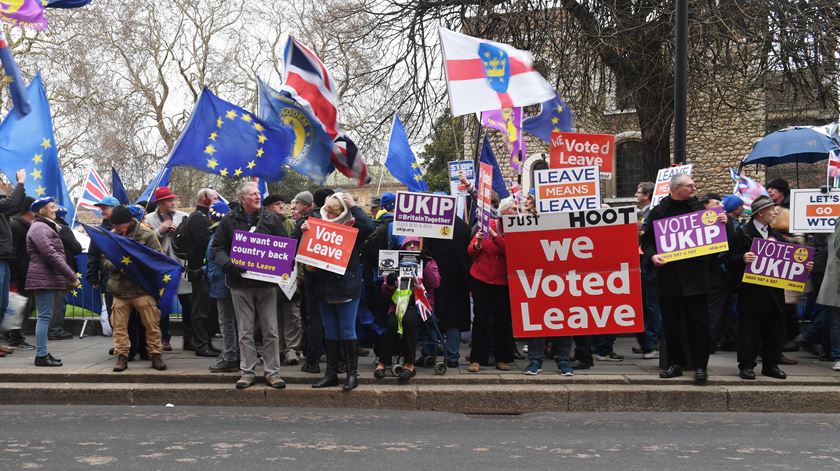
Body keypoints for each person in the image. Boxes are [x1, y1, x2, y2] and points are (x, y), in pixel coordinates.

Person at [641, 174, 721, 382]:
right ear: (676, 189)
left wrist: (723, 223)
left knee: (699, 324)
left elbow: (721, 240)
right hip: (669, 278)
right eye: (690, 185)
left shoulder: (702, 212)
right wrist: (652, 256)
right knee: (671, 324)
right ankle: (674, 364)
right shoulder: (659, 212)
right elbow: (647, 242)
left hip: (696, 278)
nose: (695, 188)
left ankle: (700, 366)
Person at [212, 182, 288, 390]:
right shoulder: (228, 221)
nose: (257, 196)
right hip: (240, 284)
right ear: (242, 198)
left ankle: (272, 373)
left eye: (258, 193)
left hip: (266, 284)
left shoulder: (271, 219)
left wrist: (283, 265)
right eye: (253, 194)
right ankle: (247, 372)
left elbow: (285, 245)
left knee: (270, 330)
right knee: (245, 331)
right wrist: (228, 264)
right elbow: (217, 248)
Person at [727, 196, 812, 380]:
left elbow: (789, 262)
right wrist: (742, 258)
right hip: (751, 292)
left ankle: (770, 365)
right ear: (761, 212)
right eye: (772, 209)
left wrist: (804, 267)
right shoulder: (743, 233)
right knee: (750, 330)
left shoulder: (777, 236)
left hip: (773, 292)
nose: (775, 213)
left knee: (774, 330)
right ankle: (747, 365)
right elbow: (728, 259)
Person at [303, 192, 374, 391]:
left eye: (336, 213)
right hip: (324, 288)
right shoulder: (318, 226)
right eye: (329, 212)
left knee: (347, 330)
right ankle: (331, 374)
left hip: (346, 288)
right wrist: (304, 231)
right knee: (331, 331)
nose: (332, 217)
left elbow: (369, 227)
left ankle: (352, 375)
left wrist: (354, 207)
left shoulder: (353, 228)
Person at [104, 206, 167, 372]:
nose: (117, 228)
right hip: (120, 288)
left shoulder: (146, 235)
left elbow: (158, 257)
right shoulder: (112, 236)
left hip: (142, 288)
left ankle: (155, 354)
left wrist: (137, 261)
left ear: (128, 222)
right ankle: (122, 356)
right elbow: (105, 260)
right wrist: (120, 263)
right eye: (115, 225)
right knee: (118, 326)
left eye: (120, 225)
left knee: (152, 324)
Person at [374, 237, 440, 382]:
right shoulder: (395, 262)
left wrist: (425, 265)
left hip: (419, 305)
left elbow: (435, 283)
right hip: (398, 305)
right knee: (391, 324)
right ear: (403, 247)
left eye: (415, 244)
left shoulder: (428, 261)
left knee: (409, 321)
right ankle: (383, 362)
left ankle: (409, 364)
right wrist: (390, 283)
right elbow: (385, 292)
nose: (411, 246)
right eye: (408, 244)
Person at [25, 197, 80, 367]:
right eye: (52, 207)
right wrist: (71, 275)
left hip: (45, 277)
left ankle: (43, 353)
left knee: (45, 316)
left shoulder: (42, 226)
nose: (55, 210)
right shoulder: (39, 227)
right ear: (42, 210)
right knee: (44, 317)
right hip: (44, 277)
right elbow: (50, 254)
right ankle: (41, 355)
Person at [144, 187, 191, 352]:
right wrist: (160, 231)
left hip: (181, 266)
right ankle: (164, 338)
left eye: (173, 199)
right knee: (163, 305)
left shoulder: (184, 217)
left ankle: (189, 339)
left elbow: (189, 240)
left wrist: (179, 232)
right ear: (160, 203)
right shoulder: (148, 219)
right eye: (169, 200)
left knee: (189, 303)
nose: (173, 202)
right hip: (161, 269)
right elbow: (144, 242)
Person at [467, 212, 512, 373]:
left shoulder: (515, 229)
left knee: (502, 320)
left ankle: (502, 358)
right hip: (481, 279)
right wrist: (478, 243)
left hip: (503, 282)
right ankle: (477, 359)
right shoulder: (487, 225)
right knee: (481, 319)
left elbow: (511, 251)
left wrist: (494, 237)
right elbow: (471, 252)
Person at [178, 188, 220, 357]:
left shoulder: (202, 218)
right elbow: (206, 245)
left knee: (209, 310)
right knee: (201, 310)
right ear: (205, 199)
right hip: (200, 272)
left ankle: (206, 342)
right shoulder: (199, 219)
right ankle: (201, 345)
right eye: (215, 198)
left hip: (204, 271)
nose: (218, 202)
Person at [264, 194, 302, 366]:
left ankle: (292, 350)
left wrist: (299, 275)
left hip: (289, 276)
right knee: (273, 316)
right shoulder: (260, 224)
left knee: (292, 314)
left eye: (282, 203)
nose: (281, 206)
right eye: (276, 204)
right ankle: (277, 349)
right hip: (268, 278)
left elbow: (298, 251)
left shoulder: (290, 224)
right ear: (267, 207)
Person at [205, 201, 240, 373]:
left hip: (222, 283)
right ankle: (237, 354)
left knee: (226, 322)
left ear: (211, 217)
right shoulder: (230, 231)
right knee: (236, 321)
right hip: (227, 281)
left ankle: (230, 357)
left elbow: (216, 259)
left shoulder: (218, 235)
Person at [632, 181, 661, 359]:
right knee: (644, 305)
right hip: (640, 263)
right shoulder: (641, 213)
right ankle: (647, 342)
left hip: (649, 264)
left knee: (652, 305)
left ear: (647, 195)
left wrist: (640, 232)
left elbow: (652, 236)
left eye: (638, 192)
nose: (635, 194)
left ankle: (652, 342)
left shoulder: (653, 213)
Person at [48, 206, 82, 340]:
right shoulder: (63, 229)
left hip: (48, 269)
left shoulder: (41, 227)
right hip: (62, 269)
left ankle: (51, 328)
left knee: (50, 303)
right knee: (59, 302)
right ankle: (55, 330)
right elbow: (76, 248)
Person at [7, 193, 36, 350]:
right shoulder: (17, 227)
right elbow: (18, 253)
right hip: (20, 274)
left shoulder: (22, 225)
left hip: (24, 273)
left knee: (27, 305)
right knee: (21, 306)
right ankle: (15, 337)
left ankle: (14, 335)